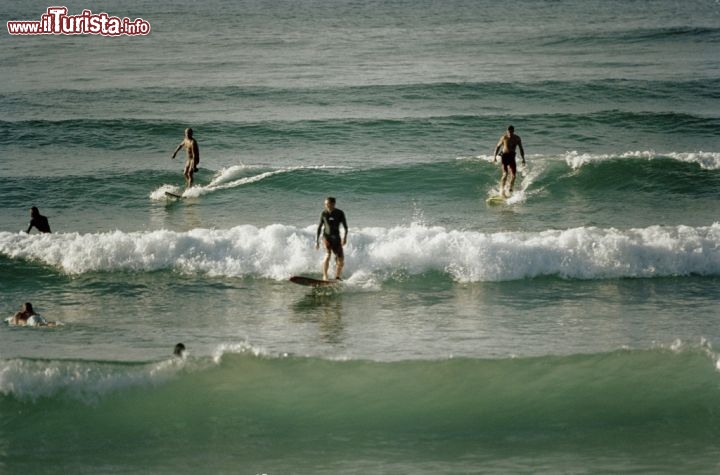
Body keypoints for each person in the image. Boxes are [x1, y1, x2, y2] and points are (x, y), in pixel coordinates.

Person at [315, 197, 348, 281]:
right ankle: (325, 276)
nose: (325, 205)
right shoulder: (323, 213)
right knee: (328, 254)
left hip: (337, 238)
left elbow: (345, 227)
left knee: (341, 260)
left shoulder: (340, 213)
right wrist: (317, 241)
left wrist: (345, 238)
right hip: (327, 237)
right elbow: (319, 227)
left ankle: (337, 277)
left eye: (327, 204)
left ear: (333, 204)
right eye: (325, 204)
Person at [493, 125, 526, 197]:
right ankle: (501, 190)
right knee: (505, 174)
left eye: (511, 132)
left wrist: (523, 159)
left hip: (512, 157)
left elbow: (521, 148)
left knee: (514, 175)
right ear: (507, 131)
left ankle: (510, 189)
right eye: (508, 132)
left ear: (513, 131)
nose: (509, 133)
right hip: (504, 156)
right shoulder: (504, 138)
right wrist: (494, 157)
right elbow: (498, 146)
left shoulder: (517, 138)